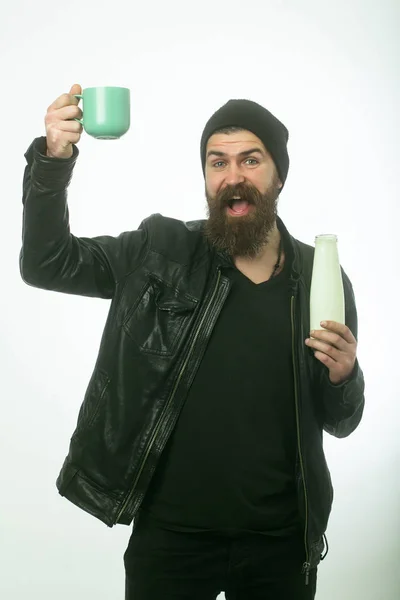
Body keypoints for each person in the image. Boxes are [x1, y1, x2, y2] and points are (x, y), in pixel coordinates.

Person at [20, 83, 365, 600]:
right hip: (172, 540)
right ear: (205, 176)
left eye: (250, 160)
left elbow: (341, 422)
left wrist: (345, 376)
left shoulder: (322, 278)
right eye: (217, 162)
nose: (233, 178)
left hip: (281, 541)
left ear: (279, 175)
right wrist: (53, 159)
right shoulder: (161, 250)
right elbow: (48, 264)